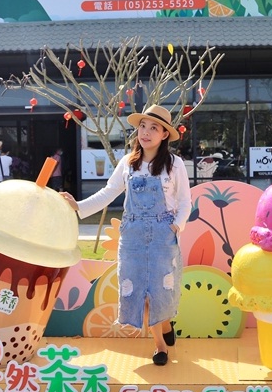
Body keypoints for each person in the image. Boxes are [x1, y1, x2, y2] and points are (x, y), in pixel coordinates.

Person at [60, 105, 191, 367]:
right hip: (131, 236)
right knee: (137, 290)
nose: (146, 132)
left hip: (162, 237)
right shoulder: (128, 162)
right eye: (143, 126)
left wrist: (175, 226)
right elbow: (108, 193)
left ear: (165, 135)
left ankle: (163, 329)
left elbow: (185, 201)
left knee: (159, 289)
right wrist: (79, 206)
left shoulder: (174, 164)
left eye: (154, 128)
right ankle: (161, 344)